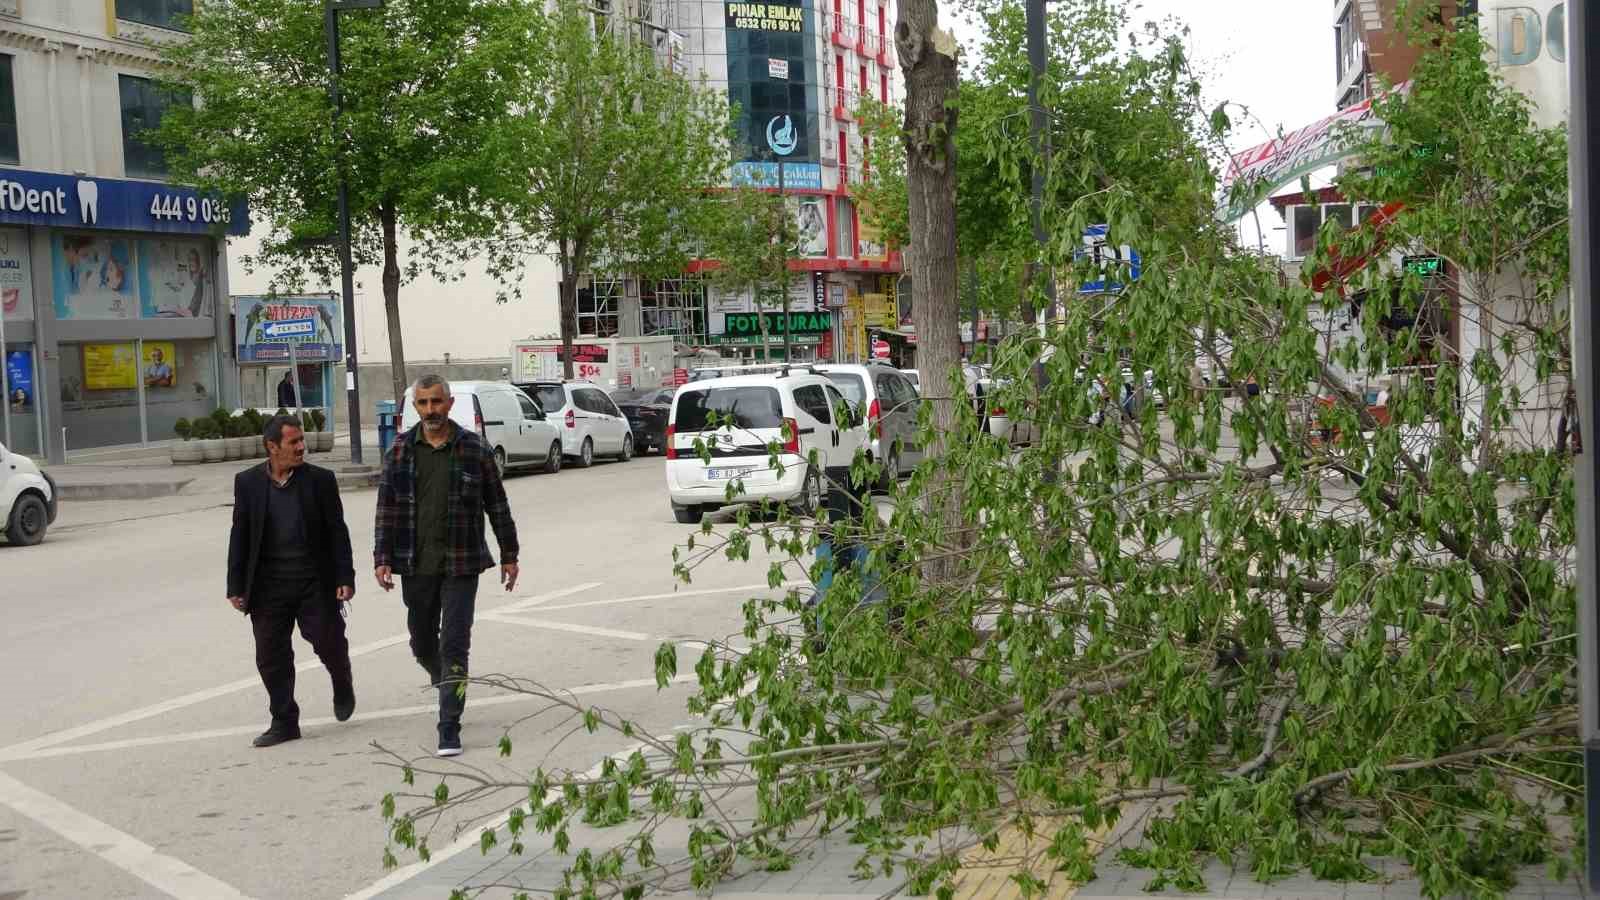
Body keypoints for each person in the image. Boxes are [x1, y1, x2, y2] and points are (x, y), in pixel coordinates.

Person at [374, 375, 519, 757]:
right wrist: (382, 558)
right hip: (415, 564)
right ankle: (446, 683)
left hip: (461, 564)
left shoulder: (474, 449)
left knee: (454, 643)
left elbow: (497, 505)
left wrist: (509, 554)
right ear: (415, 407)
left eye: (436, 402)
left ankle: (448, 726)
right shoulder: (402, 450)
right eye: (423, 403)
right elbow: (386, 509)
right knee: (422, 642)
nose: (430, 410)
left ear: (449, 404)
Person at [226, 414, 357, 748]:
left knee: (328, 641)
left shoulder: (320, 481)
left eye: (302, 440)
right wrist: (235, 585)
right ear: (272, 447)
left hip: (314, 581)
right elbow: (239, 534)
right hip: (269, 586)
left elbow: (337, 532)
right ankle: (284, 721)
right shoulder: (248, 483)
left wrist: (345, 576)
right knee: (270, 656)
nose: (302, 447)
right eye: (294, 442)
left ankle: (341, 679)